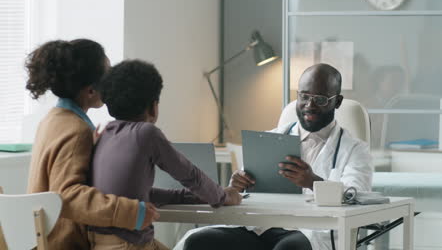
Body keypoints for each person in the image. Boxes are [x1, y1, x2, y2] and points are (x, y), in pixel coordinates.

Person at [181, 63, 373, 250]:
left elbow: (357, 198)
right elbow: (250, 195)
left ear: (337, 102)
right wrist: (237, 186)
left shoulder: (356, 150)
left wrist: (313, 182)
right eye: (304, 96)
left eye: (320, 99)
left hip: (310, 232)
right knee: (199, 241)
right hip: (262, 226)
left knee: (289, 247)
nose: (309, 105)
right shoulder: (270, 138)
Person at [87, 59, 243, 249]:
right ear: (153, 107)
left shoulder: (104, 134)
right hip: (129, 244)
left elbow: (139, 194)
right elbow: (190, 175)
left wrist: (194, 197)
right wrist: (223, 197)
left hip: (100, 242)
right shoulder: (146, 133)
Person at [26, 39, 159, 249]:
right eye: (108, 75)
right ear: (90, 91)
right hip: (69, 243)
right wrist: (132, 212)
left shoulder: (53, 120)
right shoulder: (76, 131)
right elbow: (67, 195)